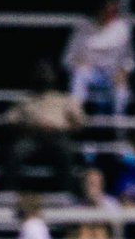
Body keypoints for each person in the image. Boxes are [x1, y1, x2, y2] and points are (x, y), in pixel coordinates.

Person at [5, 62, 84, 195]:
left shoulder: (63, 99)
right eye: (41, 73)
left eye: (47, 73)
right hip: (32, 137)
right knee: (16, 152)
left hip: (57, 137)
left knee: (66, 153)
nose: (44, 76)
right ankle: (10, 192)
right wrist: (30, 125)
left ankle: (64, 194)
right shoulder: (27, 99)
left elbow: (80, 121)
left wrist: (63, 126)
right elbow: (9, 119)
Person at [63, 0, 135, 115]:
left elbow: (128, 60)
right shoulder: (82, 27)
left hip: (112, 74)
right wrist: (77, 64)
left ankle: (119, 129)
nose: (109, 15)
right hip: (89, 72)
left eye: (113, 12)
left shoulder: (121, 28)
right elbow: (68, 59)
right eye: (106, 11)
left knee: (121, 92)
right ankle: (74, 118)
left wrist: (123, 72)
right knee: (79, 76)